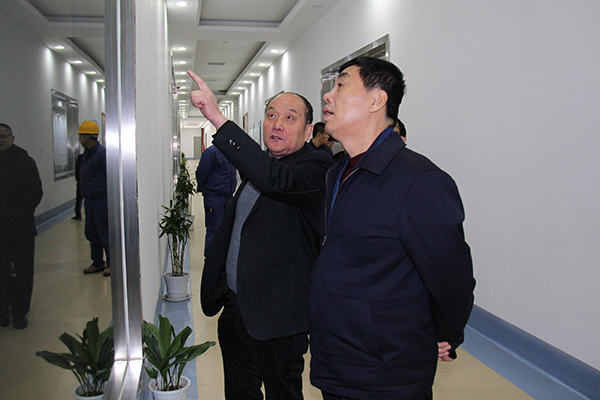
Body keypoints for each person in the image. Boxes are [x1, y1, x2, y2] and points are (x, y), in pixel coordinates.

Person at [309, 57, 476, 400]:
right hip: (336, 359)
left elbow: (450, 277)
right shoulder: (337, 174)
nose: (328, 95)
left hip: (386, 372)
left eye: (341, 85)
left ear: (377, 100)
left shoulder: (419, 181)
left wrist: (445, 333)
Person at [188, 70, 334, 400]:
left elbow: (277, 182)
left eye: (289, 118)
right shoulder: (260, 167)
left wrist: (217, 119)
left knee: (283, 393)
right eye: (271, 115)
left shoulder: (317, 168)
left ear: (308, 131)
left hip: (278, 318)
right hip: (237, 308)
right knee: (239, 391)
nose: (277, 124)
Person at [0, 123, 43, 329]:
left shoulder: (25, 162)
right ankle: (5, 308)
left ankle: (20, 312)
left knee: (23, 271)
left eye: (4, 136)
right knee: (3, 271)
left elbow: (36, 192)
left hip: (21, 228)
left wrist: (20, 213)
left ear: (12, 138)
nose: (0, 140)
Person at [78, 121, 110, 277]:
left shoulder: (102, 153)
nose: (80, 139)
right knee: (92, 232)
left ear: (88, 137)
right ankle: (97, 262)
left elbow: (109, 176)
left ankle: (110, 263)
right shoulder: (86, 154)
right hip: (89, 200)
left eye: (81, 136)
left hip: (100, 199)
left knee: (104, 231)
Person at [195, 144, 237, 253]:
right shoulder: (211, 152)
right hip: (214, 197)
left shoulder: (229, 152)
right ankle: (210, 258)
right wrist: (205, 189)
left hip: (228, 196)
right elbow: (201, 172)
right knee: (214, 229)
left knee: (227, 229)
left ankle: (222, 257)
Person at [72, 151, 85, 220]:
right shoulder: (81, 157)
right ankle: (78, 214)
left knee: (79, 199)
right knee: (79, 200)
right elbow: (77, 170)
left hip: (84, 182)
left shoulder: (81, 158)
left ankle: (78, 214)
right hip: (81, 182)